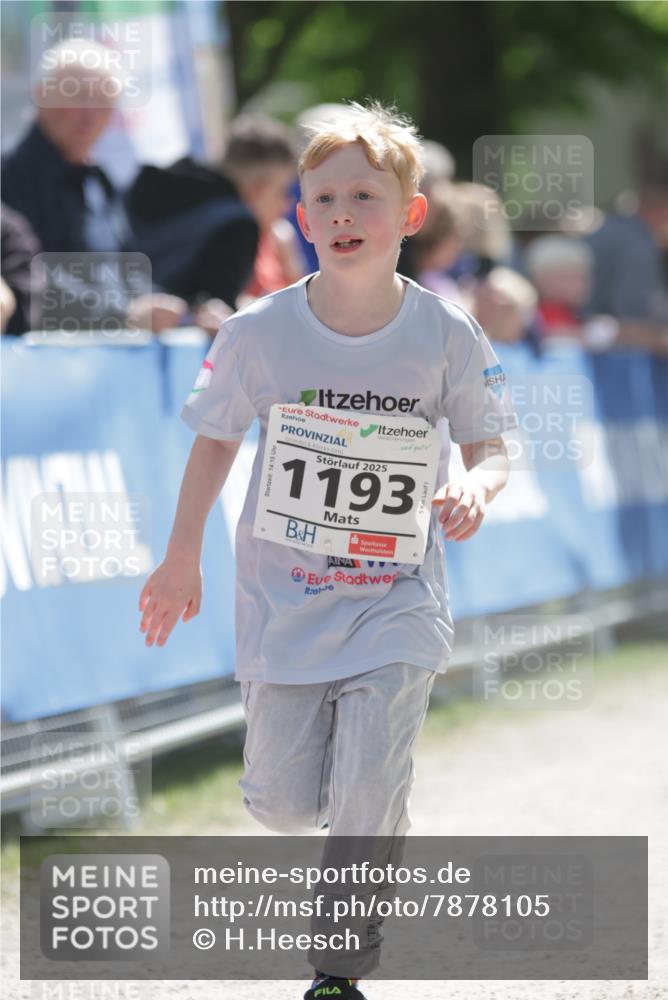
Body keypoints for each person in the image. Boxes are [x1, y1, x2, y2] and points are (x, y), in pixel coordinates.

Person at [138, 101, 517, 999]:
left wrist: (475, 486)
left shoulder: (446, 333)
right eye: (324, 200)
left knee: (363, 787)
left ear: (410, 216)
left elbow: (493, 445)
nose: (342, 215)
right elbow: (215, 440)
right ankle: (371, 815)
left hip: (397, 599)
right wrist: (181, 553)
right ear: (298, 219)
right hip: (286, 603)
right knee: (279, 804)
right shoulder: (259, 332)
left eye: (364, 197)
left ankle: (338, 969)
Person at [1, 39, 188, 334]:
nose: (90, 113)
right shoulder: (8, 177)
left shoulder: (99, 184)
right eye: (78, 96)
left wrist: (179, 309)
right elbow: (24, 277)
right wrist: (119, 315)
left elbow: (126, 272)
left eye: (104, 101)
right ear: (41, 95)